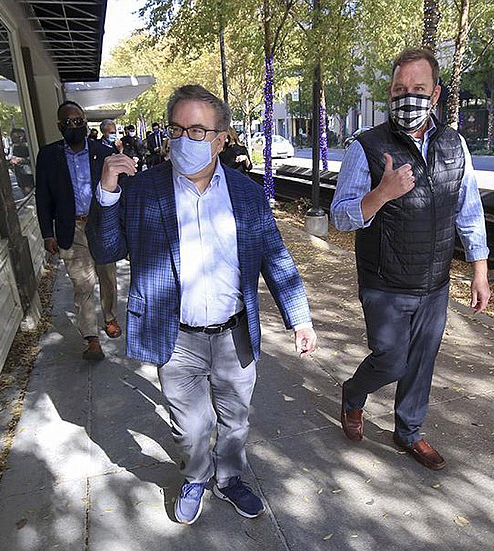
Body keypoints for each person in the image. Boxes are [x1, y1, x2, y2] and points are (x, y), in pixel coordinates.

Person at [88, 85, 317, 524]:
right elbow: (105, 249)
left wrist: (300, 318)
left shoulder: (246, 193)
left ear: (220, 138)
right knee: (192, 429)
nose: (183, 139)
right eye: (176, 129)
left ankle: (229, 478)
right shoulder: (143, 188)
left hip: (234, 334)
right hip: (176, 336)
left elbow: (275, 255)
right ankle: (196, 476)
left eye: (197, 130)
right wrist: (107, 193)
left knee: (235, 423)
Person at [331, 47, 491, 471]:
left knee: (421, 361)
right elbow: (340, 217)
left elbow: (469, 209)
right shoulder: (366, 146)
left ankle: (409, 432)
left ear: (435, 94)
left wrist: (479, 269)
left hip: (435, 282)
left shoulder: (455, 145)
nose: (409, 96)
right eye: (401, 88)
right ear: (390, 92)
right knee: (392, 357)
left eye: (418, 88)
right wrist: (382, 193)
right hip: (385, 281)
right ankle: (353, 393)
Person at [35, 101, 122, 361]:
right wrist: (47, 233)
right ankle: (91, 338)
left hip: (101, 225)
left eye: (79, 121)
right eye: (69, 122)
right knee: (82, 284)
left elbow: (119, 190)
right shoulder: (48, 156)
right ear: (60, 126)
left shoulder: (102, 152)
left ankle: (109, 316)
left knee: (107, 278)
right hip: (70, 229)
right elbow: (43, 197)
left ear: (86, 123)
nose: (75, 125)